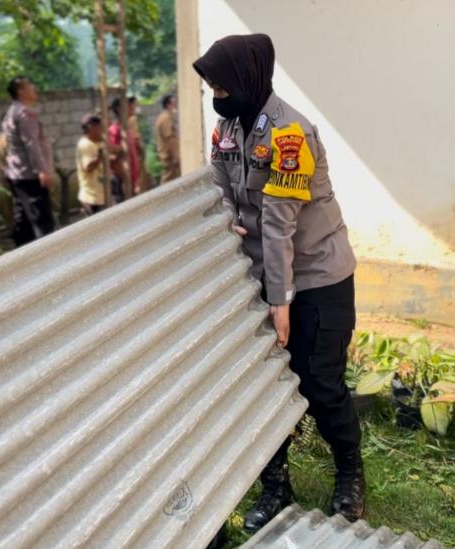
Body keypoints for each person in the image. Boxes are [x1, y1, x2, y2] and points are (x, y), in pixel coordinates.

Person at [193, 34, 365, 532]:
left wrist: (280, 299)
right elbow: (221, 190)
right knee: (262, 384)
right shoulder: (226, 128)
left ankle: (351, 474)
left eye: (222, 85)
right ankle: (276, 484)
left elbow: (278, 223)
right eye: (211, 86)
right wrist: (230, 222)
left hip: (315, 275)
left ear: (248, 78)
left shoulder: (290, 133)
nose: (217, 95)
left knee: (320, 383)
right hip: (261, 272)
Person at [2, 76, 55, 247]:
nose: (34, 87)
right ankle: (48, 258)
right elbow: (31, 143)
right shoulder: (26, 112)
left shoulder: (12, 111)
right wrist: (42, 170)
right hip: (30, 175)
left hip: (18, 173)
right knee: (42, 222)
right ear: (21, 92)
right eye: (30, 85)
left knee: (23, 222)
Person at [108, 97, 139, 203]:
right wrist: (126, 182)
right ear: (118, 109)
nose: (132, 107)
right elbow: (113, 158)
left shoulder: (125, 129)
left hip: (131, 182)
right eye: (128, 105)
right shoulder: (114, 130)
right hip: (123, 183)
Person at [76, 114, 106, 216]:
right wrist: (100, 157)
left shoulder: (96, 143)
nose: (101, 130)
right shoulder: (84, 144)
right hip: (91, 197)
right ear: (91, 128)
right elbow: (88, 167)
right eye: (99, 128)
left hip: (99, 196)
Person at [155, 94, 180, 183]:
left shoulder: (164, 117)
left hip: (168, 156)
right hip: (169, 157)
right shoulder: (166, 118)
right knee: (168, 182)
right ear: (168, 104)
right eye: (174, 102)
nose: (176, 104)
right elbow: (170, 139)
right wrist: (175, 156)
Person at [127, 96, 150, 194]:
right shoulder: (132, 119)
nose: (135, 107)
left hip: (131, 155)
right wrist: (141, 151)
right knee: (141, 182)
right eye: (133, 104)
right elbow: (136, 138)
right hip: (136, 154)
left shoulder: (126, 119)